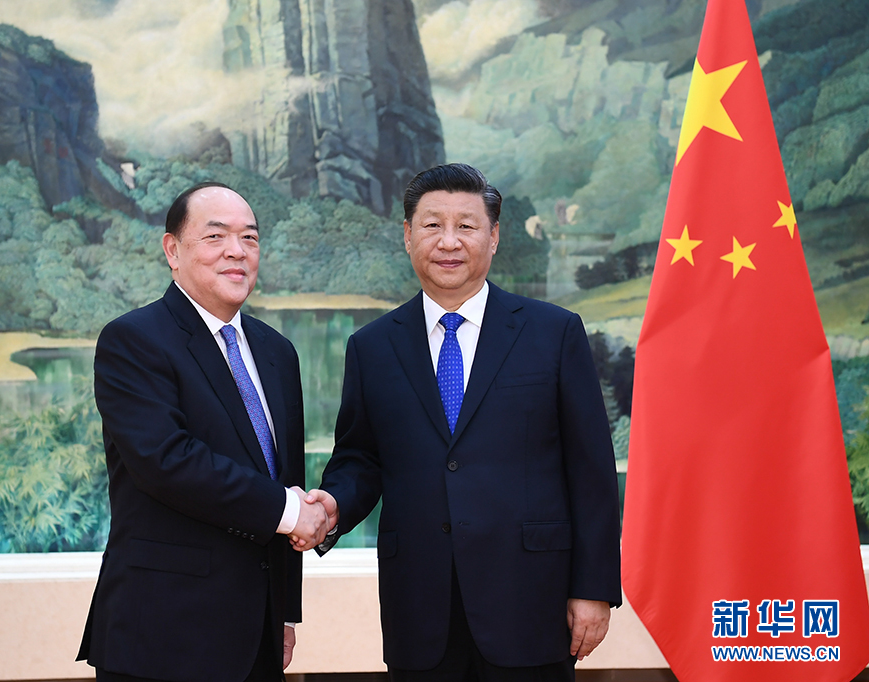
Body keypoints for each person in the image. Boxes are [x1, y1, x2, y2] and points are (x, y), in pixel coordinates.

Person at [296, 164, 622, 681]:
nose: (449, 241)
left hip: (530, 600)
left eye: (466, 226)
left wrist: (593, 588)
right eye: (432, 225)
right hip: (419, 607)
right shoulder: (372, 346)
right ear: (408, 235)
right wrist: (334, 503)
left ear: (493, 237)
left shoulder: (553, 333)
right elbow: (361, 457)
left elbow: (591, 470)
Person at [77, 182, 331, 682]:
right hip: (162, 636)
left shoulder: (277, 352)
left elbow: (285, 475)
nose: (237, 251)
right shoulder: (134, 340)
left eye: (249, 238)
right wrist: (291, 512)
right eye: (216, 236)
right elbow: (167, 462)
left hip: (257, 636)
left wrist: (284, 611)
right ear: (173, 250)